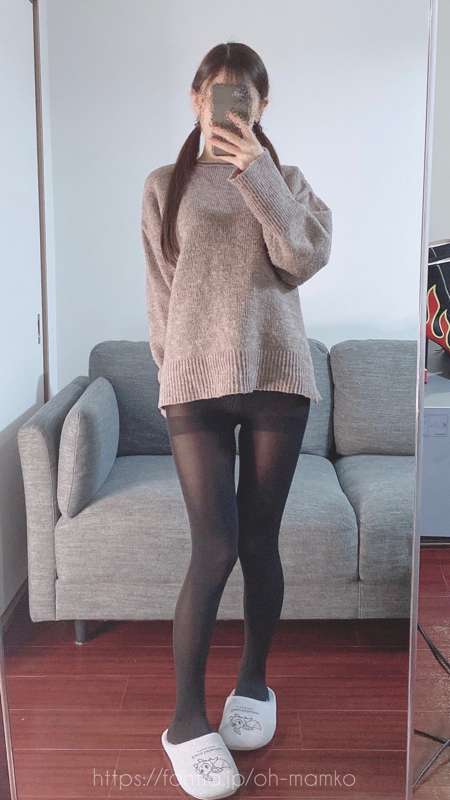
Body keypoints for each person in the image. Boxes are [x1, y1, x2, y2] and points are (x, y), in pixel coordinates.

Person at [141, 41, 332, 800]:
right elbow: (161, 291)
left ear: (262, 106)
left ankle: (253, 682)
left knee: (259, 541)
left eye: (243, 98)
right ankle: (186, 720)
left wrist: (256, 171)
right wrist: (171, 375)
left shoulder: (287, 180)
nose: (229, 108)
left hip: (277, 377)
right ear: (196, 100)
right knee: (213, 547)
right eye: (217, 95)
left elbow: (302, 257)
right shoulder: (164, 185)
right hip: (195, 384)